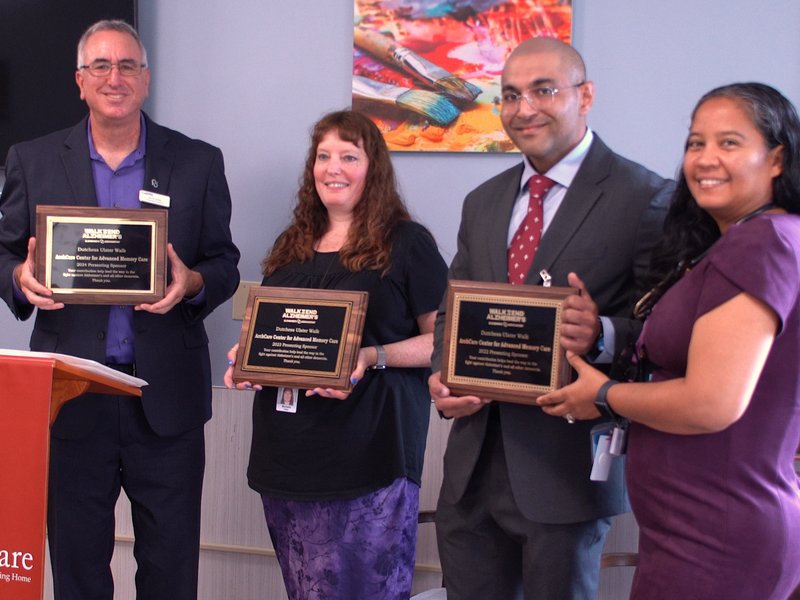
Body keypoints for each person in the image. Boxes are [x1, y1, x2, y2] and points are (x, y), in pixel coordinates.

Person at [0, 20, 240, 599]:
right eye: (101, 67)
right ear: (80, 81)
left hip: (167, 400)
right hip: (73, 397)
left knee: (171, 566)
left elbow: (224, 261)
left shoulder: (197, 161)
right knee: (79, 568)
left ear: (146, 80)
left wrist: (193, 283)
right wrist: (18, 276)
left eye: (128, 66)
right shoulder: (31, 160)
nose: (115, 78)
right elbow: (3, 250)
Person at [428, 37, 674, 599]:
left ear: (585, 96)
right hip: (471, 468)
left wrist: (606, 335)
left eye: (544, 90)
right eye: (510, 95)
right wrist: (442, 376)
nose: (524, 108)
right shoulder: (483, 200)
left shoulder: (647, 196)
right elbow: (452, 311)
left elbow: (674, 331)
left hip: (564, 472)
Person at [537, 82, 800, 599]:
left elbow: (711, 403)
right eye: (695, 143)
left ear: (776, 159)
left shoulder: (761, 243)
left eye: (729, 143)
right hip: (694, 527)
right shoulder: (742, 242)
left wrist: (604, 396)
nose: (705, 159)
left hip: (716, 532)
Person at [224, 109, 448, 600]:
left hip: (369, 454)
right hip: (288, 455)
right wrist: (250, 356)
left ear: (374, 168)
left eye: (349, 155)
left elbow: (445, 339)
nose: (333, 168)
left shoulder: (407, 243)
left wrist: (373, 355)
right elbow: (277, 332)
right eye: (323, 156)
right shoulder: (292, 244)